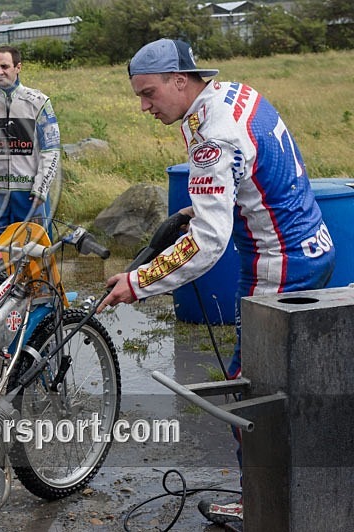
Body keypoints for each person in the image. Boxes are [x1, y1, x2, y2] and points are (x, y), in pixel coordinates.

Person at [96, 38, 336, 526]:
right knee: (295, 385)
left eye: (148, 93)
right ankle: (306, 488)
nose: (143, 107)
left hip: (280, 262)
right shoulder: (234, 93)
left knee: (253, 395)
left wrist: (139, 282)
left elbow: (208, 244)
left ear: (180, 81)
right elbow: (253, 170)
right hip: (314, 243)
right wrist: (211, 203)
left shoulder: (209, 134)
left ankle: (265, 507)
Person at [0, 45, 61, 237]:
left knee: (32, 251)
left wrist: (41, 188)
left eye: (5, 66)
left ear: (18, 67)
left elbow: (51, 149)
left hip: (27, 192)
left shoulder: (39, 101)